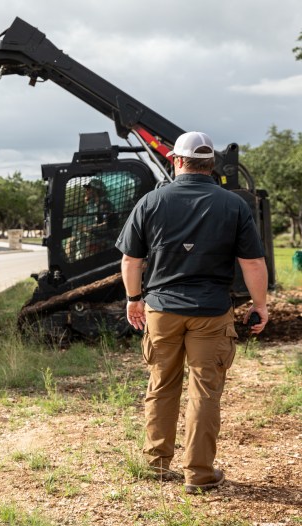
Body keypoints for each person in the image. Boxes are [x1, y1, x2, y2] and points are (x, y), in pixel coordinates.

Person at [115, 131, 269, 494]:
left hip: (162, 310)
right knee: (204, 392)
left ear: (175, 160)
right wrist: (260, 305)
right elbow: (253, 263)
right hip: (211, 312)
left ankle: (156, 462)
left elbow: (131, 260)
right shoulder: (233, 205)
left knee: (162, 384)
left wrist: (133, 298)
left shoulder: (151, 201)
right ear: (211, 164)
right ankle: (199, 474)